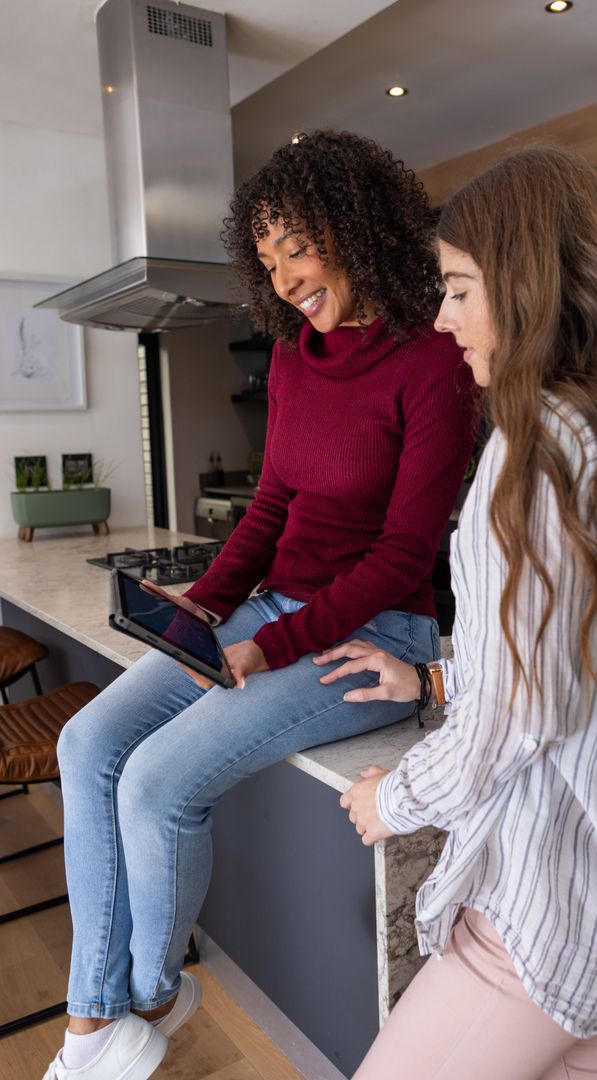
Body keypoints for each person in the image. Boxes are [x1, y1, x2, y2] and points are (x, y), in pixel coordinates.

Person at [44, 130, 475, 1080]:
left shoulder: (432, 364)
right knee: (87, 744)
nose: (284, 279)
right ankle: (95, 1019)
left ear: (357, 230)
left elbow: (406, 551)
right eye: (268, 257)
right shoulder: (292, 357)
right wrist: (203, 603)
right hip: (272, 610)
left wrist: (273, 644)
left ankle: (150, 995)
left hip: (373, 637)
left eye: (299, 248)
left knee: (158, 784)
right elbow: (272, 504)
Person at [320, 144, 597, 1080]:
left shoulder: (529, 457)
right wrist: (435, 676)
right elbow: (589, 657)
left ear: (532, 284)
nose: (442, 316)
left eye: (459, 287)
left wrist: (393, 798)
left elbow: (517, 716)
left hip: (533, 926)